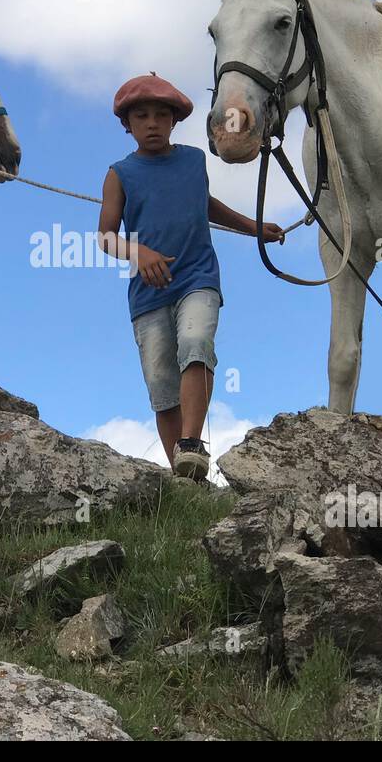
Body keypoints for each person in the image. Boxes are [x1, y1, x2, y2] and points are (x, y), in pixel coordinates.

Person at [97, 72, 283, 479]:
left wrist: (254, 227)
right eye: (141, 116)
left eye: (161, 116)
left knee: (196, 342)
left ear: (174, 122)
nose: (151, 123)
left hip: (197, 277)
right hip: (148, 291)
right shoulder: (119, 174)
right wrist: (138, 251)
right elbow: (106, 237)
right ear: (127, 125)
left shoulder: (193, 159)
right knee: (162, 385)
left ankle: (192, 443)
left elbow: (207, 204)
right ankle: (184, 477)